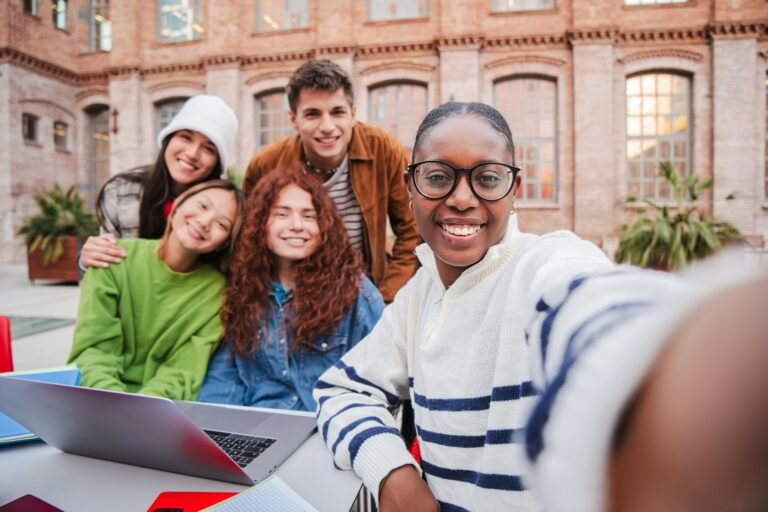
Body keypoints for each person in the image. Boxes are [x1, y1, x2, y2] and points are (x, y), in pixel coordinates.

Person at [313, 102, 768, 511]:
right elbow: (342, 390)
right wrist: (393, 474)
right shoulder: (418, 295)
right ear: (410, 187)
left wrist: (682, 354)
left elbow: (593, 306)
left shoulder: (544, 263)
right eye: (437, 176)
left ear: (515, 191)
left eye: (488, 178)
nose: (462, 197)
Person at [197, 170, 384, 411]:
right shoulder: (245, 290)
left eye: (309, 216)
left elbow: (377, 380)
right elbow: (226, 378)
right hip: (260, 424)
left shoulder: (356, 293)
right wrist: (211, 433)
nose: (296, 226)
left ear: (324, 226)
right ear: (260, 222)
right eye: (282, 214)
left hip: (328, 428)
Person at [243, 59, 419, 303]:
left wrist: (384, 300)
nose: (327, 127)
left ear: (353, 114)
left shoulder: (382, 148)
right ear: (294, 120)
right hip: (295, 297)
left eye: (337, 112)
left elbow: (413, 230)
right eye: (313, 114)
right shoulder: (266, 164)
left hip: (366, 291)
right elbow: (249, 241)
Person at [68, 179, 245, 401]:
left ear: (224, 242)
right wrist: (116, 404)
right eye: (202, 206)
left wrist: (143, 408)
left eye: (222, 224)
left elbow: (182, 371)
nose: (204, 221)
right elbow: (93, 350)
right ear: (179, 204)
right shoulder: (111, 257)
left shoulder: (219, 293)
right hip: (96, 399)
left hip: (161, 409)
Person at [79, 94, 238, 270]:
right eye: (186, 137)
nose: (192, 154)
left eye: (208, 149)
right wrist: (88, 259)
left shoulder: (225, 208)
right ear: (168, 140)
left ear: (217, 163)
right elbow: (104, 265)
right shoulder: (120, 193)